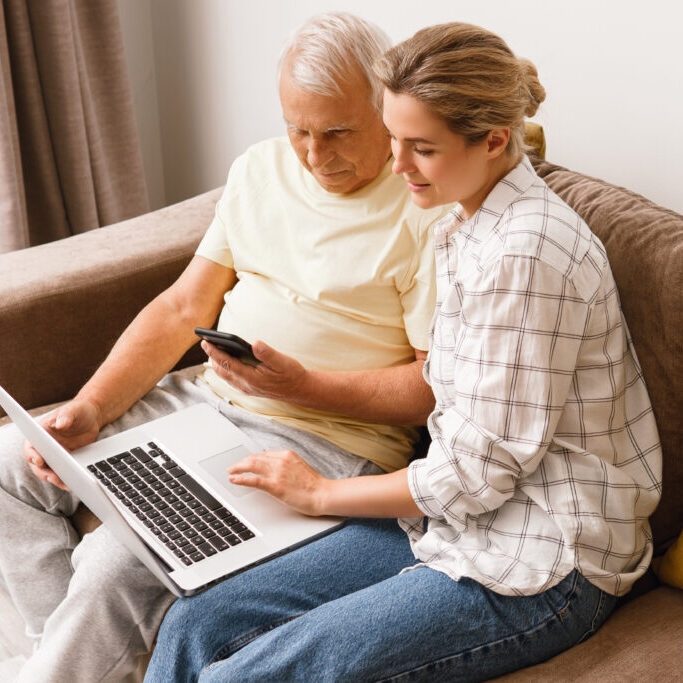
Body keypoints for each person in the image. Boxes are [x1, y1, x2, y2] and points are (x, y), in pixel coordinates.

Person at [146, 21, 663, 682]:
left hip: (545, 560)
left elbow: (474, 477)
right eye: (392, 139)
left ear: (495, 141)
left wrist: (321, 490)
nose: (395, 167)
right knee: (197, 620)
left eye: (419, 148)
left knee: (239, 676)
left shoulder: (527, 253)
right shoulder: (462, 223)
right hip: (452, 521)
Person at [0, 13, 450, 682]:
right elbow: (184, 306)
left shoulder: (426, 209)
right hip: (199, 401)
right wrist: (91, 408)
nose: (313, 155)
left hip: (323, 444)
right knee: (11, 459)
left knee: (118, 558)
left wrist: (297, 386)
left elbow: (429, 387)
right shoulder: (260, 169)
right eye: (297, 129)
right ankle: (47, 661)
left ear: (385, 109)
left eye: (336, 133)